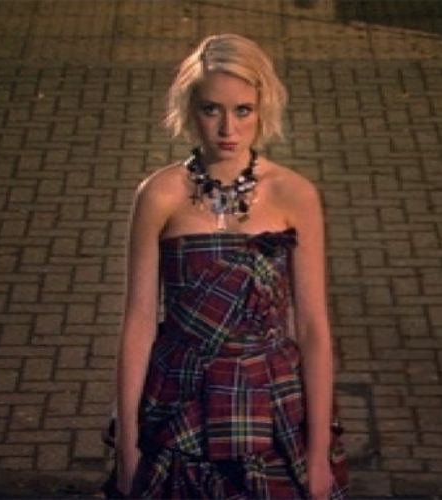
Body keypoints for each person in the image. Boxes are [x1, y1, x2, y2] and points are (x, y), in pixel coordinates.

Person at [103, 34, 347, 500]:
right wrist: (128, 448)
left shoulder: (295, 195)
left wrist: (317, 454)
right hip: (180, 401)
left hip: (270, 403)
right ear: (190, 109)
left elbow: (313, 327)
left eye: (243, 110)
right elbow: (138, 322)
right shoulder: (158, 195)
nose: (227, 128)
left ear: (262, 109)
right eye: (211, 109)